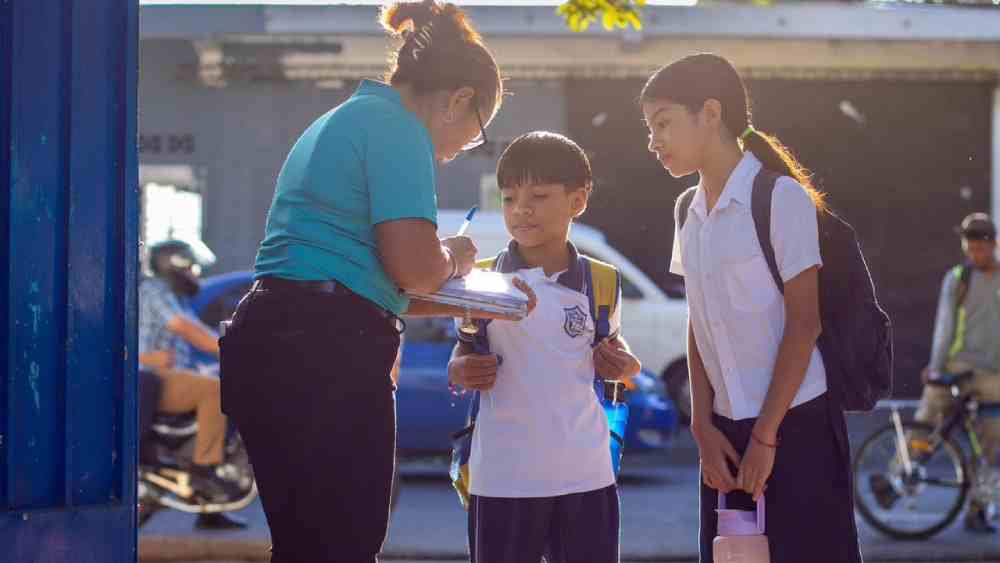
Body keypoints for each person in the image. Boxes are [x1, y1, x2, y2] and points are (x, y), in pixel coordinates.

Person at [217, 1, 505, 560]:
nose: (454, 153)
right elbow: (416, 268)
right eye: (472, 138)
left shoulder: (342, 118)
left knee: (305, 546)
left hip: (272, 341)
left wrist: (459, 301)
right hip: (325, 354)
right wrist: (457, 256)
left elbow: (371, 282)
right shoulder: (398, 129)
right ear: (460, 100)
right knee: (346, 544)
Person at [642, 53, 863, 562]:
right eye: (650, 127)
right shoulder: (686, 210)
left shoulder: (779, 197)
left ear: (711, 113)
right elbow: (700, 322)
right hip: (725, 434)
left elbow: (804, 325)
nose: (653, 141)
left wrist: (766, 436)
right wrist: (701, 427)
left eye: (664, 123)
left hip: (796, 425)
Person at [448, 132, 642, 563]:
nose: (521, 209)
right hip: (502, 476)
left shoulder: (602, 280)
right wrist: (462, 372)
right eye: (509, 198)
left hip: (587, 475)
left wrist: (625, 363)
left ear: (579, 200)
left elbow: (613, 350)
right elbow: (458, 360)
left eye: (538, 195)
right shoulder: (479, 282)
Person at [888, 212, 1000, 533]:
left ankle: (980, 508)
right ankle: (897, 480)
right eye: (971, 247)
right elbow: (944, 326)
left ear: (994, 244)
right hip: (955, 367)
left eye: (982, 247)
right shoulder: (958, 278)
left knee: (990, 445)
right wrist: (936, 367)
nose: (976, 253)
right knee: (925, 424)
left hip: (992, 376)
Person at [138, 239, 249, 529]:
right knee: (215, 391)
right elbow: (187, 329)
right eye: (191, 267)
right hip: (148, 379)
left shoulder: (172, 294)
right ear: (174, 267)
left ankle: (211, 508)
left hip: (163, 375)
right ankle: (204, 469)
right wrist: (231, 348)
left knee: (219, 389)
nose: (195, 273)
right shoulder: (155, 290)